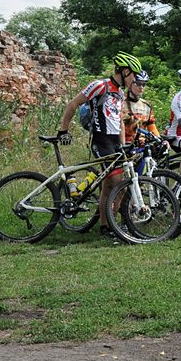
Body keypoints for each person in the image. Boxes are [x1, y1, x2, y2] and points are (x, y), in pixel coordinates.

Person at [57, 51, 141, 238]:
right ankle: (107, 226)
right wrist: (63, 130)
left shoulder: (119, 92)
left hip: (114, 142)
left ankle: (108, 225)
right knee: (116, 183)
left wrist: (123, 145)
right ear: (125, 71)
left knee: (115, 186)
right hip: (100, 141)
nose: (135, 80)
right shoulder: (99, 85)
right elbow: (73, 104)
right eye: (134, 75)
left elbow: (118, 120)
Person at [122, 70, 160, 145]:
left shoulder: (147, 105)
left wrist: (160, 140)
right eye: (138, 84)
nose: (141, 87)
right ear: (130, 84)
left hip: (142, 145)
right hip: (125, 144)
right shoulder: (120, 103)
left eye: (144, 84)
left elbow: (151, 126)